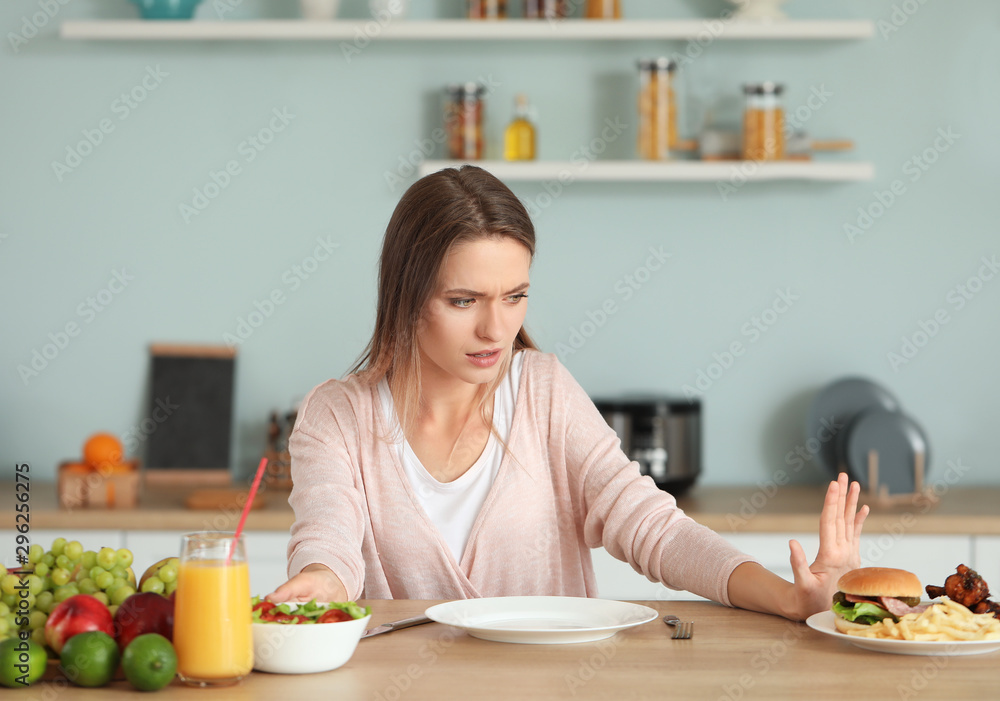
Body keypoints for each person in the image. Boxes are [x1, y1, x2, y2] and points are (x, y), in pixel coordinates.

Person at [268, 165, 868, 621]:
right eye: (462, 301)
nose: (494, 329)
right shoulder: (336, 416)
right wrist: (320, 582)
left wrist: (790, 598)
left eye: (514, 297)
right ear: (406, 295)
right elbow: (329, 541)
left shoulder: (543, 391)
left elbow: (653, 528)